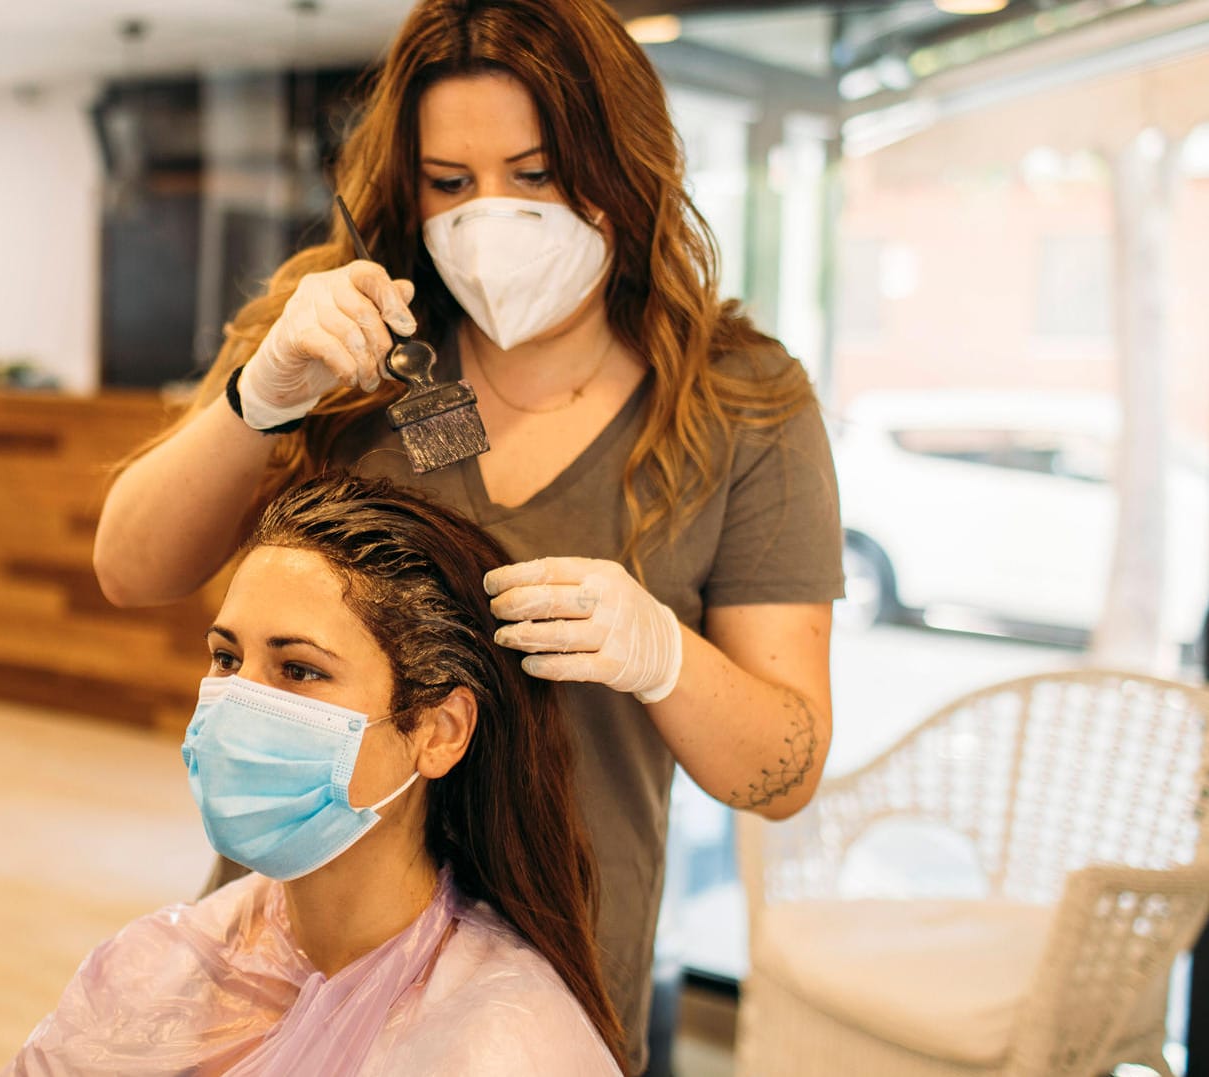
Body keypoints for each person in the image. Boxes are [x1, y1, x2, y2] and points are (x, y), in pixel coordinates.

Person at [93, 0, 843, 1069]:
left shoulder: (741, 404)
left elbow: (786, 768)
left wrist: (665, 659)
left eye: (535, 175)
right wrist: (264, 395)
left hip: (545, 988)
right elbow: (130, 567)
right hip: (291, 964)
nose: (490, 217)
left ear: (624, 166)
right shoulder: (341, 339)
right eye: (450, 183)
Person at [6, 473, 626, 1074]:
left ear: (440, 731)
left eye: (298, 670)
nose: (236, 705)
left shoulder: (504, 1041)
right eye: (226, 657)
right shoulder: (161, 965)